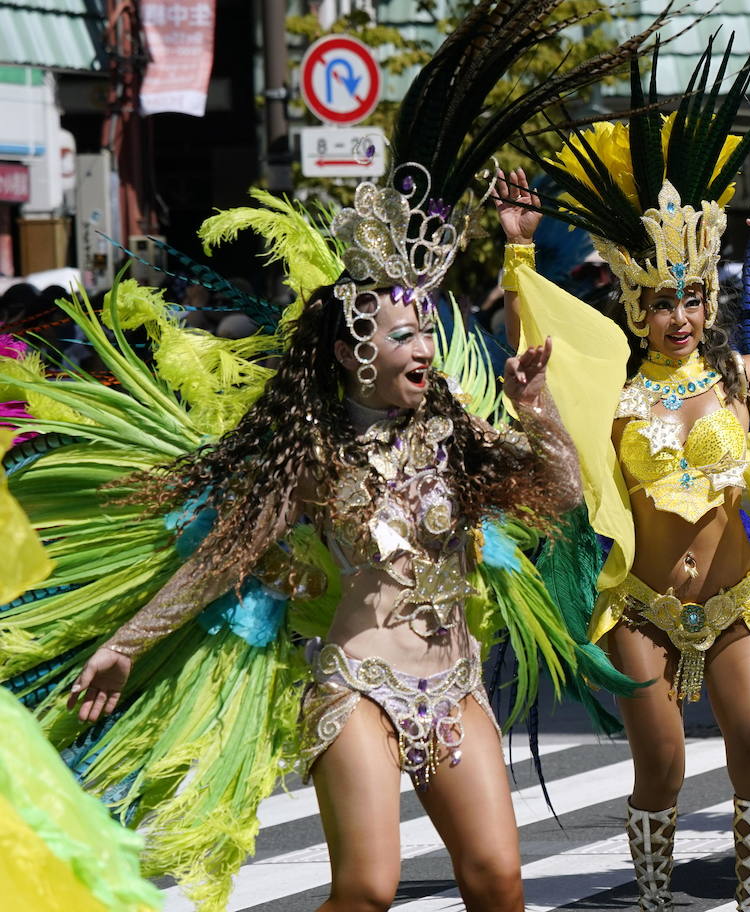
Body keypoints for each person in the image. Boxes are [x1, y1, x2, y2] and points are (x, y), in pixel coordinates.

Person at [0, 7, 672, 909]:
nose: (426, 351)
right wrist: (127, 643)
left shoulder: (454, 435)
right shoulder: (312, 455)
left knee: (498, 882)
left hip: (454, 684)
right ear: (360, 350)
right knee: (367, 890)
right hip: (354, 683)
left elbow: (558, 496)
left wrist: (537, 410)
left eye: (428, 332)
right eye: (406, 335)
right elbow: (225, 557)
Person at [499, 38, 750, 912]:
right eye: (661, 300)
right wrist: (520, 257)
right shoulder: (610, 390)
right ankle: (654, 901)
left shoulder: (739, 379)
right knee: (663, 763)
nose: (679, 315)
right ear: (636, 305)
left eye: (690, 298)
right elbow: (537, 361)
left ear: (706, 302)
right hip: (643, 607)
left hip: (736, 603)